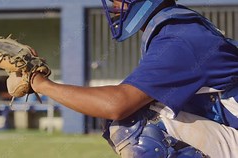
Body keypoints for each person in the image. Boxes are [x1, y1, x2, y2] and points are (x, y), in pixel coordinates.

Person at [28, 0, 238, 157]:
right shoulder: (174, 28)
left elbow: (116, 104)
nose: (113, 4)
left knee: (133, 121)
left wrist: (40, 83)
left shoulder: (180, 39)